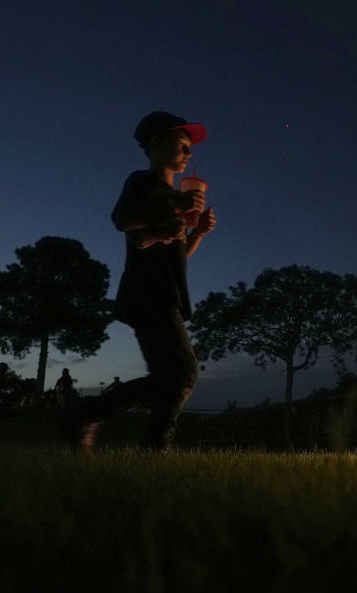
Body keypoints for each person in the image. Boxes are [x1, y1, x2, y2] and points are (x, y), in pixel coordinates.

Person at [59, 111, 217, 452]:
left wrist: (198, 232)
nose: (188, 153)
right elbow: (121, 220)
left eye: (190, 148)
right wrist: (173, 207)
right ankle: (150, 446)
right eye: (182, 144)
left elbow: (176, 253)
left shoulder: (173, 200)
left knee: (170, 377)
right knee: (183, 373)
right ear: (155, 144)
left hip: (165, 291)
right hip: (149, 292)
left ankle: (86, 417)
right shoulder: (143, 182)